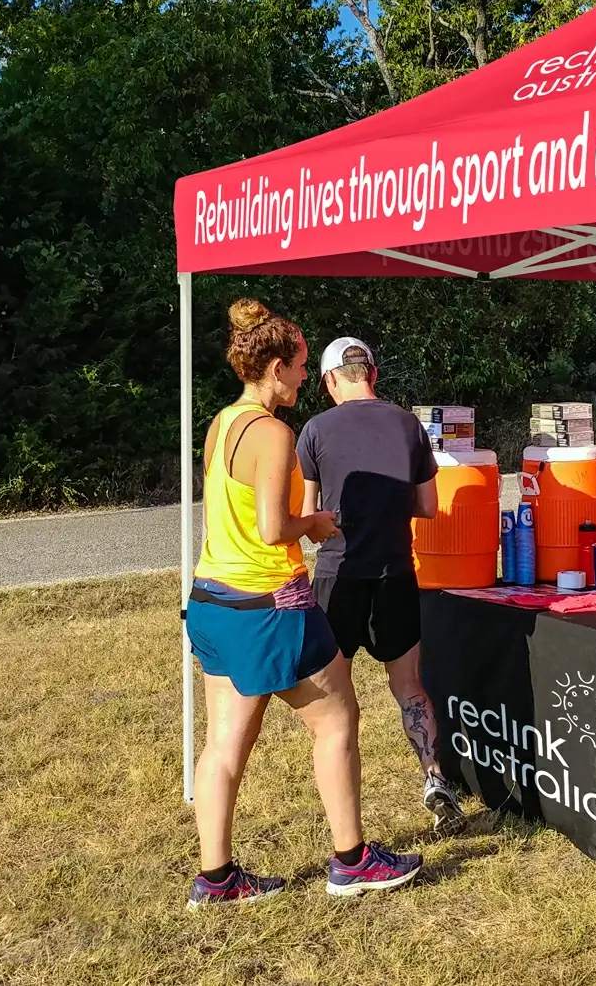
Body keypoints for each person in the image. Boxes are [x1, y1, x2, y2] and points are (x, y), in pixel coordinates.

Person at [188, 300, 420, 907]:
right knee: (338, 715)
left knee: (222, 745)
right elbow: (272, 528)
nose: (300, 378)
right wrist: (314, 523)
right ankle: (352, 860)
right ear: (271, 367)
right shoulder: (273, 432)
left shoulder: (221, 423)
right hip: (269, 604)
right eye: (294, 366)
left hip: (213, 599)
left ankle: (216, 880)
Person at [296, 335, 467, 835]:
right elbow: (429, 506)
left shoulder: (314, 430)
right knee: (409, 686)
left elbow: (310, 516)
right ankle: (434, 777)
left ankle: (344, 810)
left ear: (329, 379)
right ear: (371, 372)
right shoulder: (408, 423)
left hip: (338, 573)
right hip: (395, 571)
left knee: (334, 701)